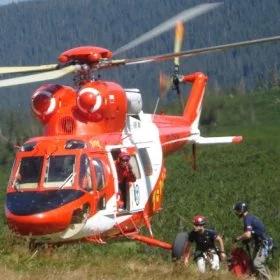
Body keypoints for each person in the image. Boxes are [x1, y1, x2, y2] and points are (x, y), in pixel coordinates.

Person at [233, 202, 273, 280]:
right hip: (260, 243)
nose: (236, 213)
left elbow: (247, 234)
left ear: (241, 211)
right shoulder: (250, 217)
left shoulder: (247, 219)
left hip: (264, 243)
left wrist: (238, 238)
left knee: (257, 263)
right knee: (253, 264)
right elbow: (252, 234)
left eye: (237, 211)